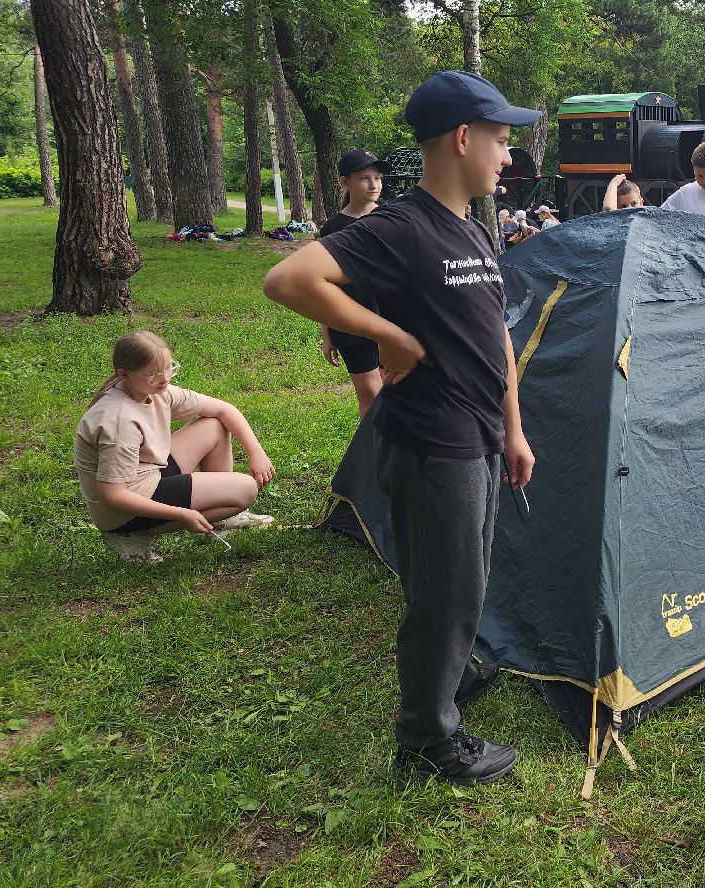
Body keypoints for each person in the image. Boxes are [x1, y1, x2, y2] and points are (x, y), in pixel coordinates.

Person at [263, 69, 538, 787]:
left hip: (477, 434)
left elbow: (497, 337)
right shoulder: (402, 226)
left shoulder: (476, 231)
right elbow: (290, 281)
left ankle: (448, 676)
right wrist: (393, 336)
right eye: (503, 141)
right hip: (431, 442)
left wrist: (514, 428)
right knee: (443, 591)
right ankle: (427, 739)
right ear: (463, 137)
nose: (508, 157)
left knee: (464, 578)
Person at [74, 331, 276, 564]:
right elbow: (112, 495)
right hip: (124, 510)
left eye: (169, 368)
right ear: (124, 374)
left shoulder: (153, 390)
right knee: (246, 489)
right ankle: (132, 536)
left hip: (149, 473)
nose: (164, 378)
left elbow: (223, 410)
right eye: (153, 374)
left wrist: (256, 452)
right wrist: (180, 514)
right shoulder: (119, 421)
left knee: (214, 425)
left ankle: (222, 519)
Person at [318, 149, 388, 417]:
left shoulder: (392, 219)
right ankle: (370, 457)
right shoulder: (333, 229)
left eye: (378, 178)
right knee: (371, 397)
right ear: (345, 182)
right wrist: (328, 335)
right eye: (364, 178)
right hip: (350, 325)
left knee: (394, 393)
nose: (374, 185)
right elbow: (324, 286)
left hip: (392, 321)